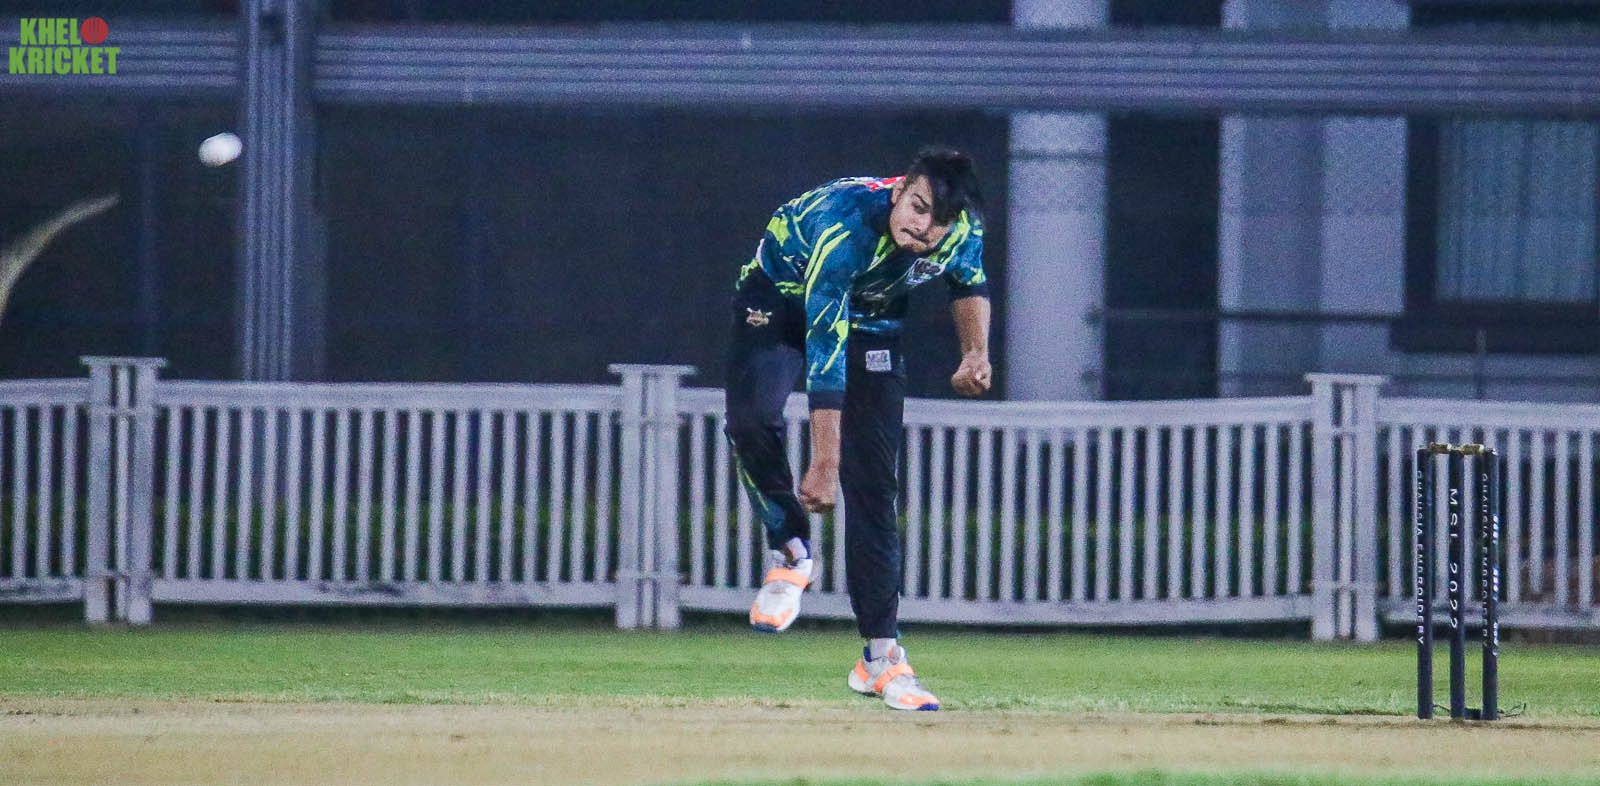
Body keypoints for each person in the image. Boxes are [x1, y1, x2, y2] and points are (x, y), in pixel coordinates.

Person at [724, 146, 992, 711]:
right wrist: (823, 463)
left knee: (874, 486)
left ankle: (881, 659)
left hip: (874, 316)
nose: (923, 228)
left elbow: (968, 283)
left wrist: (975, 353)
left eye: (939, 221)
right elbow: (826, 350)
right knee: (753, 419)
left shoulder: (962, 229)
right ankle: (791, 549)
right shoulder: (846, 229)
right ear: (899, 193)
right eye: (917, 208)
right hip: (781, 298)